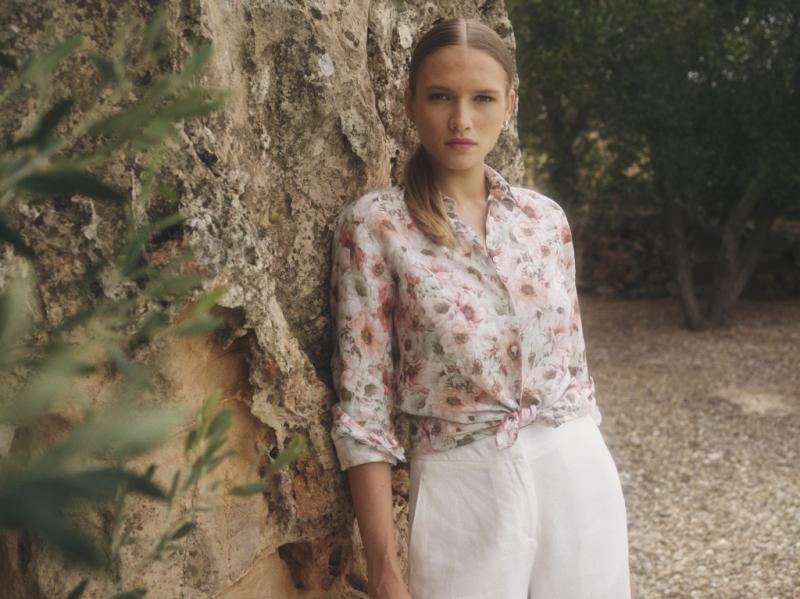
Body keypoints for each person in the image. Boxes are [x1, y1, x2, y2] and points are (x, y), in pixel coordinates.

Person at [328, 16, 636, 599]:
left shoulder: (544, 220)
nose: (461, 120)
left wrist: (615, 557)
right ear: (410, 102)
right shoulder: (376, 225)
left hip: (576, 468)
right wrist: (385, 569)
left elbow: (575, 372)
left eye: (483, 98)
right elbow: (363, 408)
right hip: (462, 485)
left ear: (510, 104)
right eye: (441, 96)